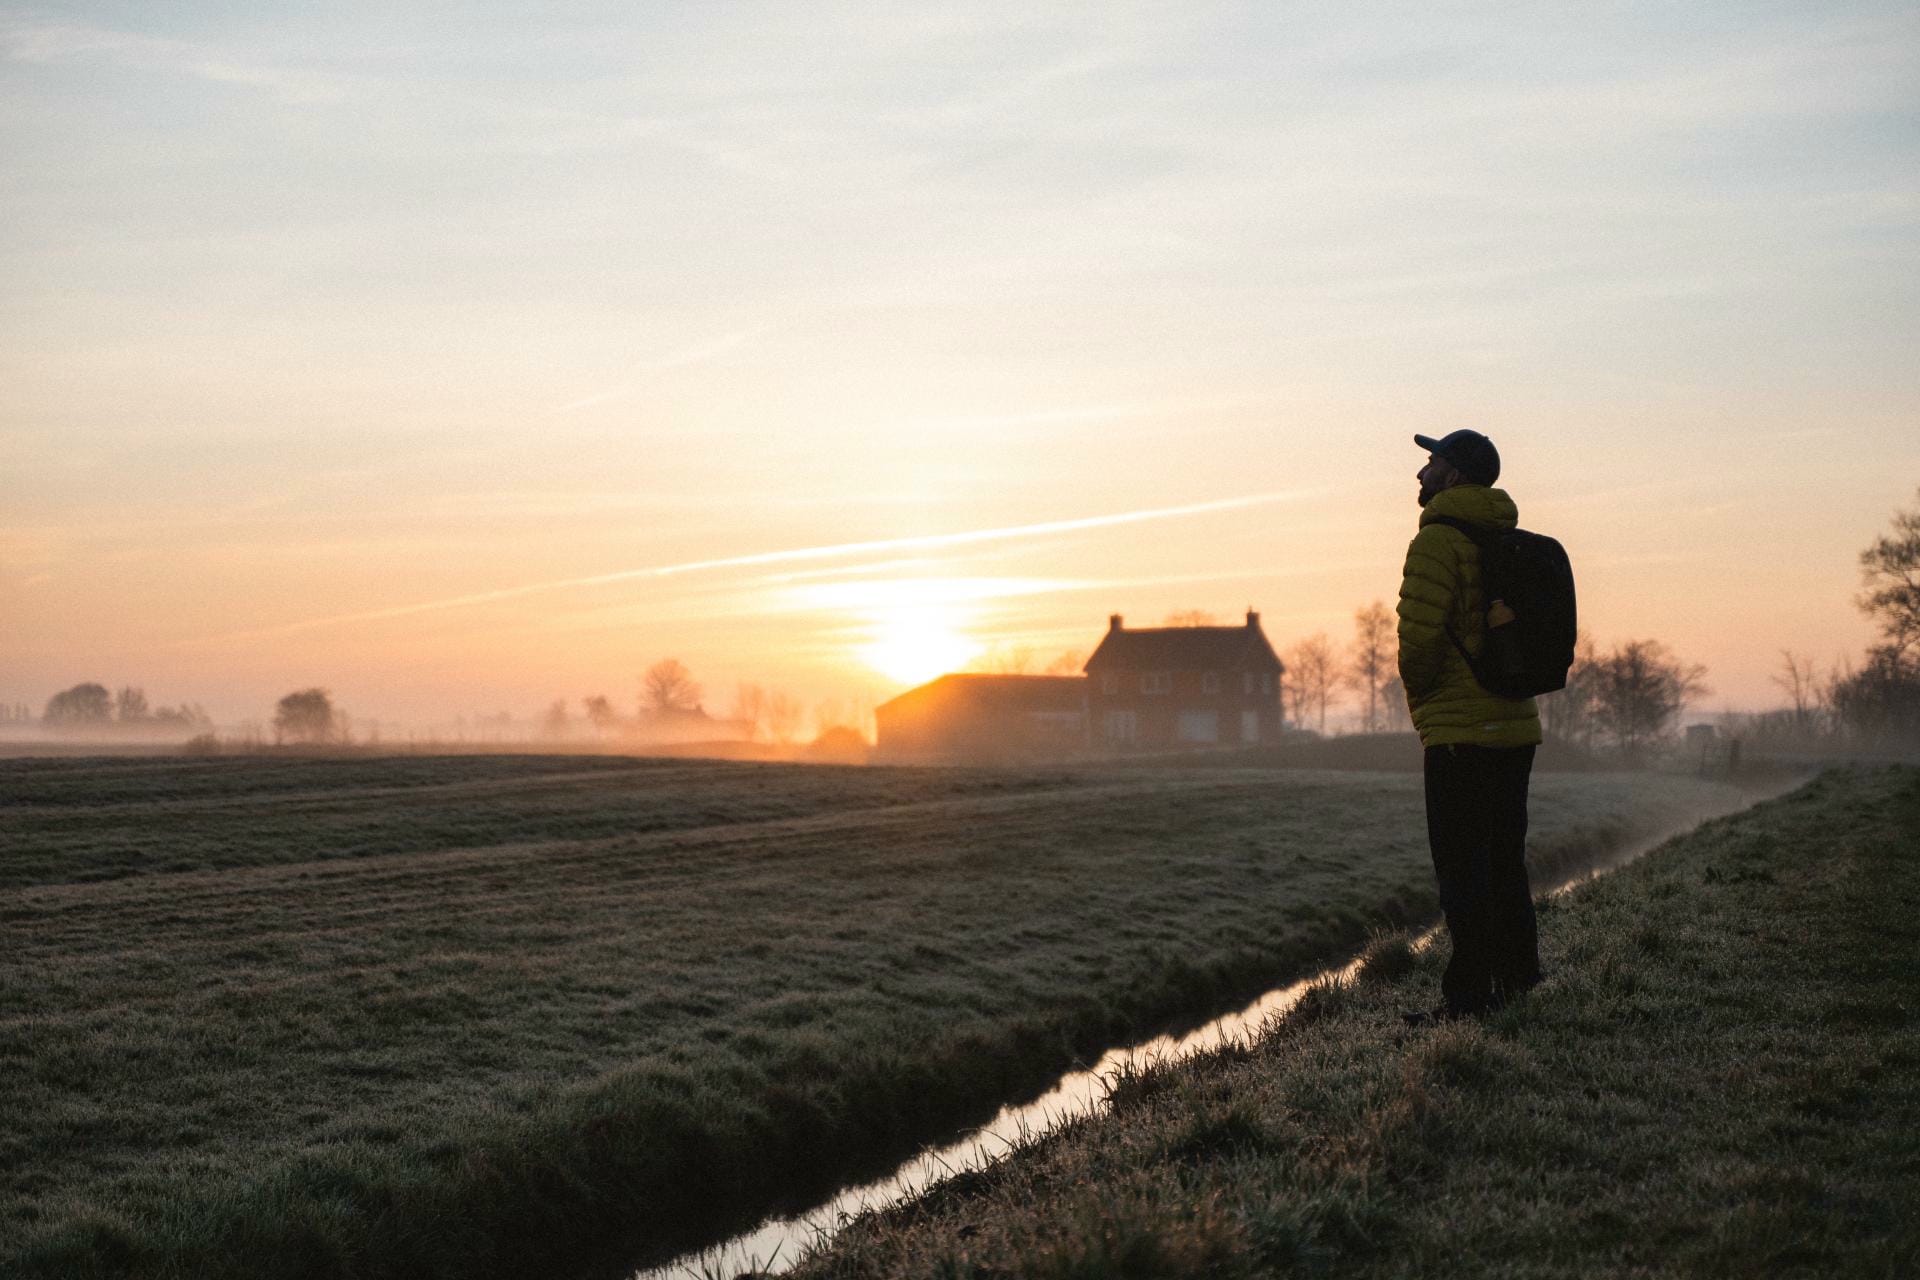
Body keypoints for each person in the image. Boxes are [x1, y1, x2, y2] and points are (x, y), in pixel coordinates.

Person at [1396, 429, 1543, 1023]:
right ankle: (1518, 979)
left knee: (1461, 869)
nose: (1420, 473)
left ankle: (1468, 999)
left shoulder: (1437, 540)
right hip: (1516, 725)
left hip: (1460, 732)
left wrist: (1423, 695)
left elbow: (1419, 638)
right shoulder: (1506, 535)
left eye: (1431, 462)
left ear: (1454, 475)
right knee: (1505, 860)